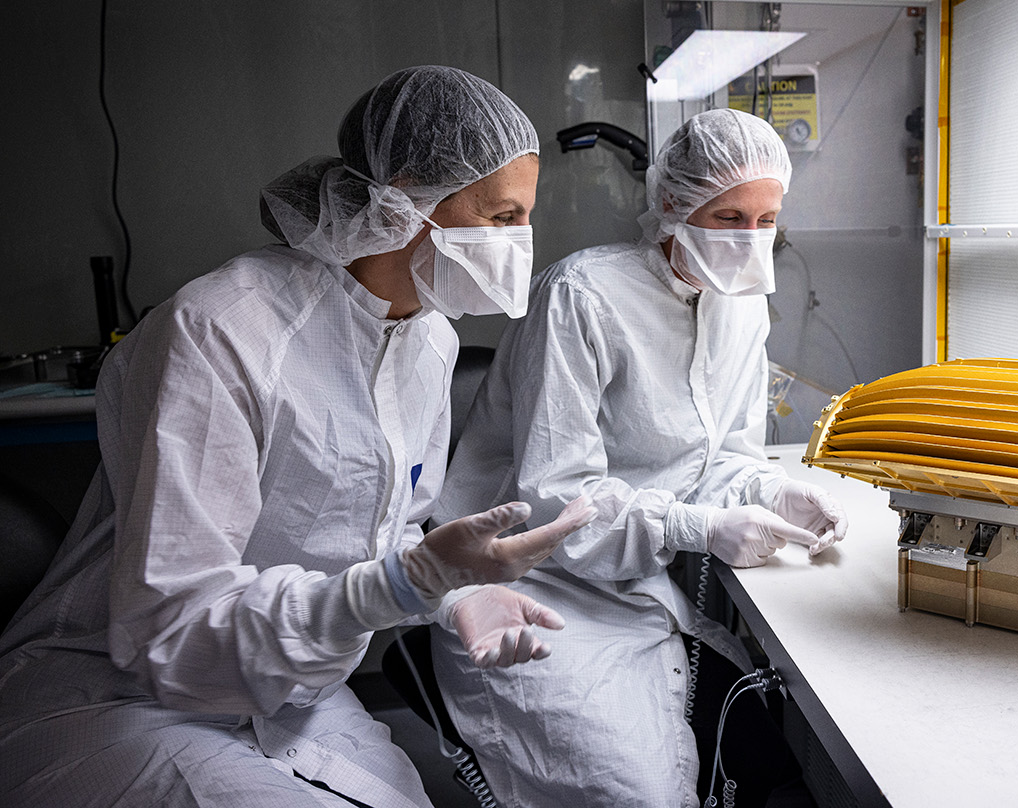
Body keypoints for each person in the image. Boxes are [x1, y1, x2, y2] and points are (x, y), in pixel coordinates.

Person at [0, 65, 595, 807]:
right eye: (502, 217)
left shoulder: (430, 341)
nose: (520, 243)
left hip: (289, 686)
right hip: (120, 693)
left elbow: (383, 530)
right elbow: (170, 629)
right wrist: (403, 584)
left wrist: (447, 596)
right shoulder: (224, 331)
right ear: (409, 195)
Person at [432, 108, 850, 807]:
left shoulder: (741, 306)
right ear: (671, 203)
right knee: (638, 793)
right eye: (728, 218)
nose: (751, 243)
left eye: (766, 221)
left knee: (743, 758)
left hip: (637, 586)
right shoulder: (582, 297)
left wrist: (772, 491)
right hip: (529, 587)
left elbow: (719, 455)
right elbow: (555, 500)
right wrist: (699, 530)